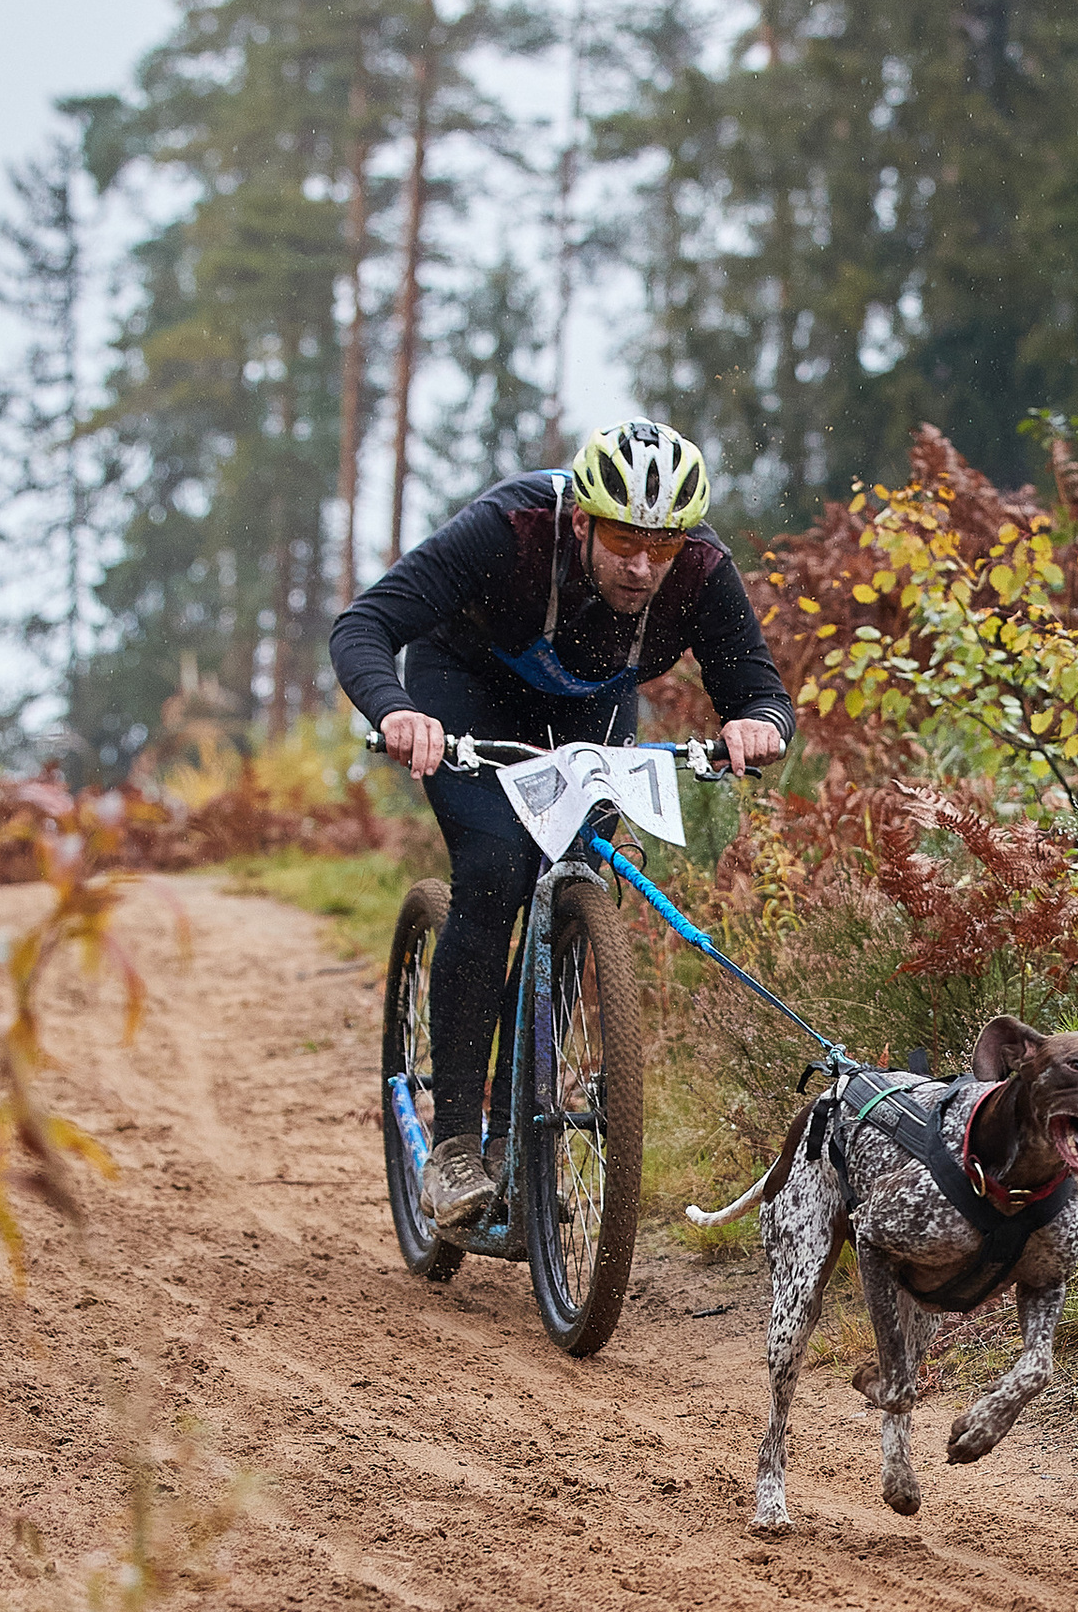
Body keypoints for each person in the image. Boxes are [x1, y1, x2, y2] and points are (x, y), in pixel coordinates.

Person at [329, 419, 791, 1227]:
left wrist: (757, 726)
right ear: (581, 519)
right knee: (499, 868)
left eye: (663, 545)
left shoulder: (702, 568)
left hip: (587, 708)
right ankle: (457, 1147)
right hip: (464, 686)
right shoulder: (508, 530)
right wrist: (398, 711)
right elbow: (363, 627)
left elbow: (758, 688)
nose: (643, 566)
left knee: (579, 872)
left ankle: (517, 1137)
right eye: (622, 539)